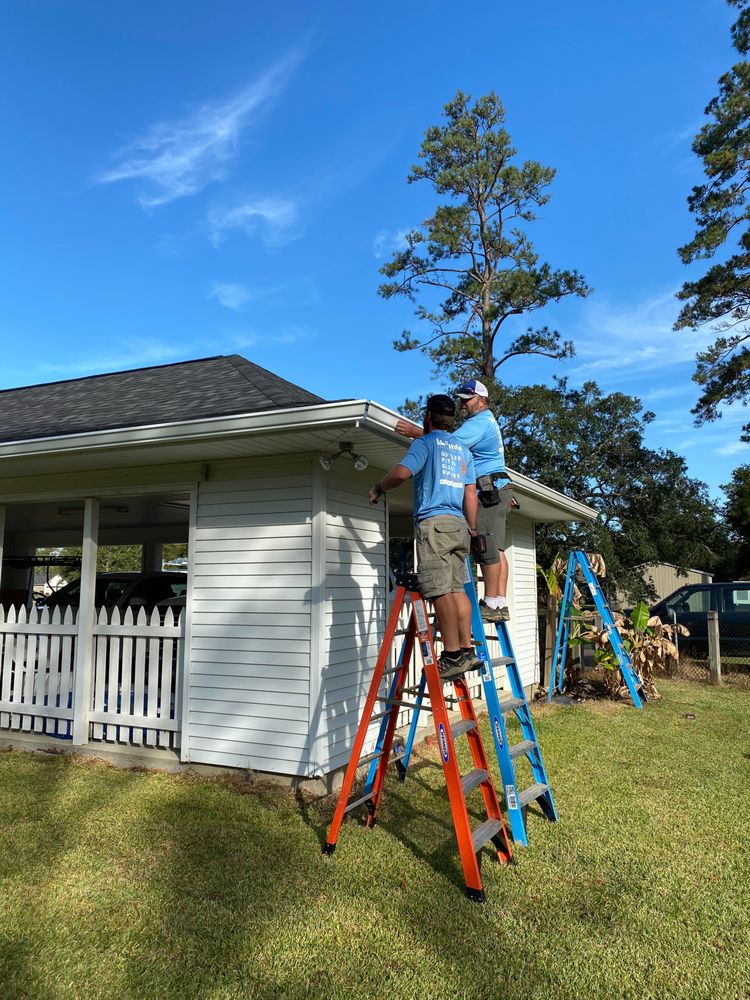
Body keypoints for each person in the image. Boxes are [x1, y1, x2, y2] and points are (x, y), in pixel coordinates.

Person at [369, 394, 481, 681]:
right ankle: (467, 650)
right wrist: (472, 527)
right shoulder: (463, 450)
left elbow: (403, 472)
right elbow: (471, 493)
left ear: (428, 416)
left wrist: (380, 488)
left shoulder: (425, 443)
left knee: (438, 589)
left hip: (435, 524)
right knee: (457, 589)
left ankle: (452, 655)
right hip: (459, 526)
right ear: (451, 419)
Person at [396, 378, 512, 624]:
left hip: (488, 490)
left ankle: (492, 602)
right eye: (460, 400)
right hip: (497, 488)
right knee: (497, 548)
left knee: (485, 545)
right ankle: (499, 602)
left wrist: (417, 433)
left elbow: (450, 445)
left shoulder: (480, 422)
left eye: (467, 400)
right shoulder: (484, 421)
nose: (462, 405)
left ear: (481, 401)